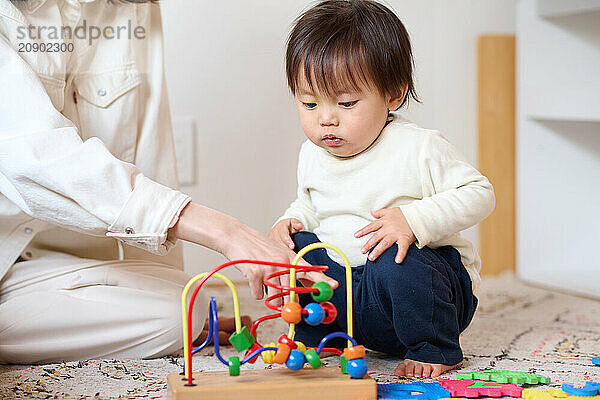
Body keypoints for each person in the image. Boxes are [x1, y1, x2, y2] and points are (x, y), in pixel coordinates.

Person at [0, 0, 336, 364]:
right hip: (7, 254)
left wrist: (176, 304)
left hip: (57, 265)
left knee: (189, 306)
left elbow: (147, 154)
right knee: (184, 313)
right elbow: (35, 160)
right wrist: (229, 233)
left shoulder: (132, 8)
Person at [269, 0, 495, 378]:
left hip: (421, 295)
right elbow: (310, 204)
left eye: (346, 102)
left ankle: (434, 347)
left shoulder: (418, 147)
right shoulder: (312, 153)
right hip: (351, 298)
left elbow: (479, 192)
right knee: (304, 248)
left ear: (392, 94)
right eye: (308, 103)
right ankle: (322, 331)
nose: (326, 117)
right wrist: (289, 222)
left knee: (394, 258)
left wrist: (413, 219)